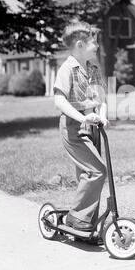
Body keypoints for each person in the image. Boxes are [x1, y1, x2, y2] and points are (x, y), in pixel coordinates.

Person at [53, 21, 109, 232]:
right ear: (80, 44)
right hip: (73, 128)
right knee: (97, 171)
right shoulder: (67, 68)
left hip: (92, 128)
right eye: (93, 42)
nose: (96, 45)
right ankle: (75, 217)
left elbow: (101, 99)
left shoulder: (93, 69)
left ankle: (86, 223)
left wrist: (102, 116)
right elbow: (59, 100)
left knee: (86, 176)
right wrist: (82, 118)